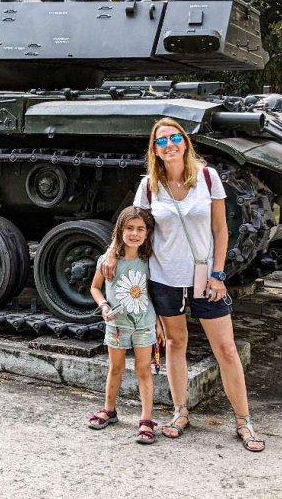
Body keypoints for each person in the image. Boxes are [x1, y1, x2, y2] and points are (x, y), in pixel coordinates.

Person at [102, 117, 265, 452]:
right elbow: (131, 225)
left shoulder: (208, 178)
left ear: (185, 142)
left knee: (226, 349)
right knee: (177, 344)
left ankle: (243, 421)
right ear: (155, 150)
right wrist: (110, 252)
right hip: (165, 278)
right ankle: (180, 412)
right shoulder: (149, 186)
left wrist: (220, 274)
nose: (169, 145)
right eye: (161, 141)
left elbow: (221, 231)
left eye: (174, 138)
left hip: (206, 279)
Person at [87, 206, 163, 444]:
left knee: (143, 370)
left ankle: (146, 419)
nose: (134, 234)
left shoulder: (148, 261)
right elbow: (94, 287)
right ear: (120, 230)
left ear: (147, 233)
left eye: (140, 229)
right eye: (129, 228)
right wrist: (103, 306)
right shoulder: (108, 261)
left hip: (144, 323)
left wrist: (159, 321)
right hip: (117, 324)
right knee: (116, 368)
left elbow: (153, 293)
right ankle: (109, 409)